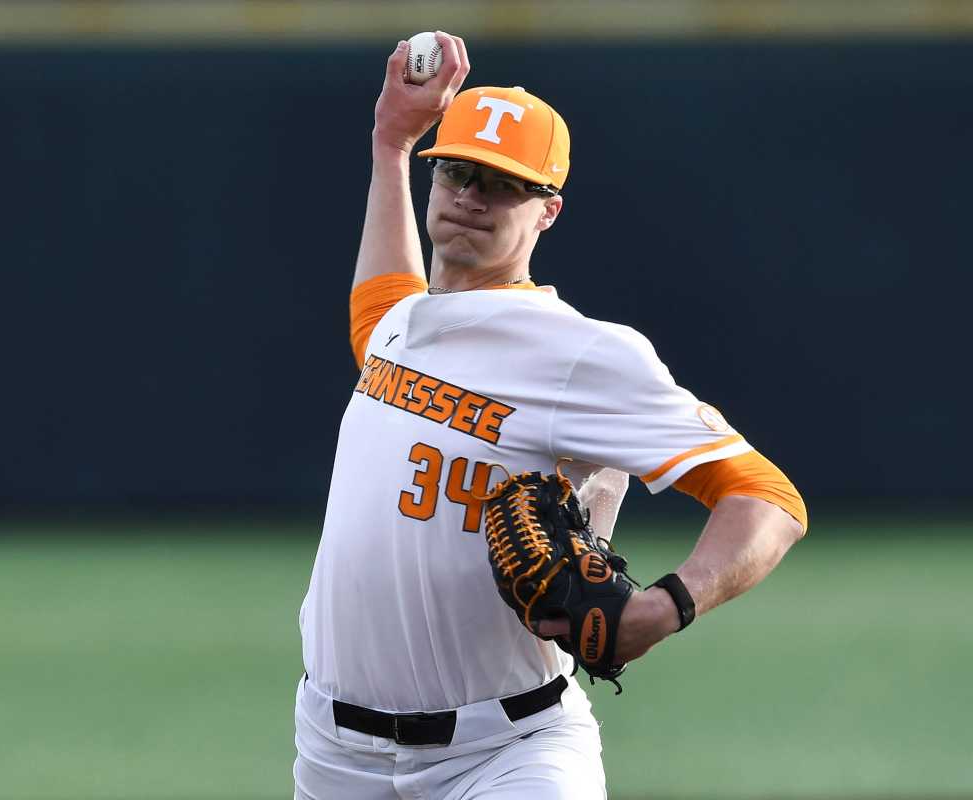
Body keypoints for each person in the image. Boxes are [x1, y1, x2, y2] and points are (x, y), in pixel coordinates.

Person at [293, 31, 806, 799]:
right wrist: (392, 144)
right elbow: (375, 310)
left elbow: (769, 499)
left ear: (548, 211)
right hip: (337, 756)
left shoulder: (584, 355)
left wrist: (668, 604)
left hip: (506, 754)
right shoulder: (401, 327)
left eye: (499, 184)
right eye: (458, 173)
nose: (469, 196)